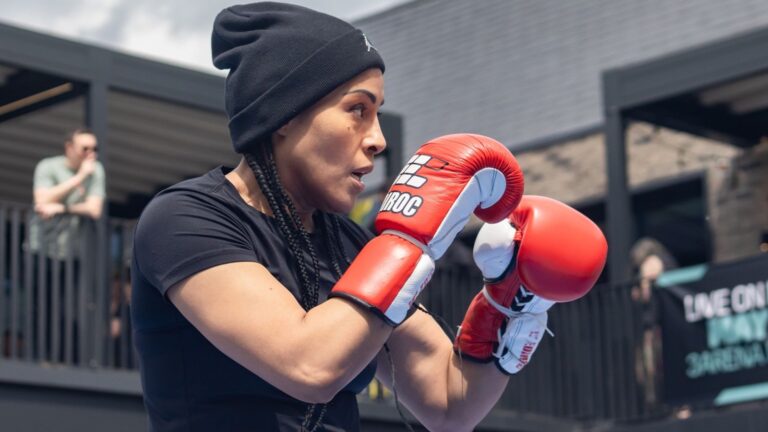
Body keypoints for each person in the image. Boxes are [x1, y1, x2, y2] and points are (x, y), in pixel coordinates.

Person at [130, 3, 607, 431]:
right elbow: (309, 366)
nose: (377, 139)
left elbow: (449, 404)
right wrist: (411, 240)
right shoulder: (186, 219)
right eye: (357, 109)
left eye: (378, 114)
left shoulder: (348, 244)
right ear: (283, 115)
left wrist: (508, 303)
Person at [28, 128, 105, 363]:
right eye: (85, 148)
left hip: (72, 252)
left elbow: (94, 209)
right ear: (69, 148)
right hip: (40, 249)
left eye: (94, 149)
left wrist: (61, 208)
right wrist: (80, 177)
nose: (90, 154)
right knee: (41, 306)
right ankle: (39, 358)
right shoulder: (48, 167)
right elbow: (41, 201)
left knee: (70, 309)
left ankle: (66, 359)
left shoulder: (96, 170)